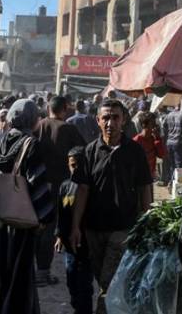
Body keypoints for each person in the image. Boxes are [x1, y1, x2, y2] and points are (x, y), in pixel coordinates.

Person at [69, 100, 152, 314]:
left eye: (115, 117)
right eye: (106, 117)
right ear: (98, 121)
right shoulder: (89, 152)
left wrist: (148, 221)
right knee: (104, 279)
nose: (110, 122)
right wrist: (76, 226)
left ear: (123, 120)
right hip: (93, 229)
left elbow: (145, 188)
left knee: (108, 282)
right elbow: (82, 191)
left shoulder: (135, 151)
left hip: (123, 228)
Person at [0, 98, 53, 314]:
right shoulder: (30, 144)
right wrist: (44, 218)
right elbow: (37, 183)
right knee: (19, 271)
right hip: (21, 220)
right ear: (33, 119)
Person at [33, 95, 85, 285]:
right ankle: (43, 272)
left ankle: (34, 269)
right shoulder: (68, 129)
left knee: (36, 225)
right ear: (64, 109)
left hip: (35, 186)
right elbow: (82, 154)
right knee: (53, 224)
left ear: (48, 108)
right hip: (62, 187)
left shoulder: (36, 126)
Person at [56, 146, 93, 314]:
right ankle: (77, 304)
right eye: (72, 165)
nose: (75, 168)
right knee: (71, 276)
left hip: (86, 241)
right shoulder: (65, 186)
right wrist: (58, 236)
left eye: (78, 165)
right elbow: (62, 213)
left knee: (84, 280)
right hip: (69, 243)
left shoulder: (91, 186)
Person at [161, 104, 182, 184]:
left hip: (169, 143)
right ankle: (178, 185)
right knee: (179, 165)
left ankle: (172, 182)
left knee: (172, 164)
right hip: (180, 143)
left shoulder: (168, 115)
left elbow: (163, 127)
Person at [132, 111, 166, 183]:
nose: (155, 126)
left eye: (155, 124)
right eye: (152, 124)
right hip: (138, 178)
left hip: (149, 177)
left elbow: (162, 155)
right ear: (144, 125)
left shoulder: (153, 139)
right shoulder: (136, 141)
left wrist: (157, 139)